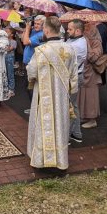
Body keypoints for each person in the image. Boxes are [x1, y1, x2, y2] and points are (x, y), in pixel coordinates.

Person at [26, 16, 78, 170]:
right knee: (60, 124)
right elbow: (74, 75)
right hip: (62, 96)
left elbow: (31, 72)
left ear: (47, 30)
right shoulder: (70, 49)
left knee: (44, 123)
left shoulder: (41, 51)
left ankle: (41, 160)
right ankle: (60, 160)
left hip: (44, 96)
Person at [79, 22, 107, 129]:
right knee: (83, 95)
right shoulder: (83, 40)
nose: (85, 32)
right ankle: (85, 116)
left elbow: (93, 58)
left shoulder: (97, 42)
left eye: (88, 29)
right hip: (84, 71)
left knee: (91, 97)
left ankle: (92, 119)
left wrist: (87, 44)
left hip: (92, 74)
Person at [65, 19, 88, 143]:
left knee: (68, 106)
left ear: (78, 31)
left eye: (70, 29)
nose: (67, 31)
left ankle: (67, 136)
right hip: (75, 76)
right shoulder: (76, 40)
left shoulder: (77, 45)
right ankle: (76, 133)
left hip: (73, 77)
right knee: (73, 106)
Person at [4, 26, 18, 98]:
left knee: (10, 74)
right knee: (5, 73)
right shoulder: (4, 40)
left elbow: (8, 49)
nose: (5, 33)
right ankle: (6, 88)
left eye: (7, 32)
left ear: (12, 34)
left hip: (9, 59)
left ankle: (11, 90)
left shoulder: (13, 42)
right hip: (4, 58)